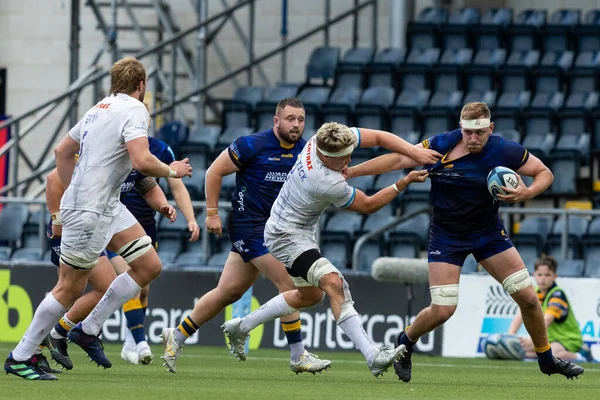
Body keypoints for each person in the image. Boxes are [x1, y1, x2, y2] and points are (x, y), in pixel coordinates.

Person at [343, 101, 584, 381]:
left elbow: (545, 173)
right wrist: (352, 172)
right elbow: (399, 159)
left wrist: (526, 192)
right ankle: (405, 342)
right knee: (443, 309)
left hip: (488, 234)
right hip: (447, 236)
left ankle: (546, 359)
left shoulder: (504, 149)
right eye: (468, 131)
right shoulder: (442, 145)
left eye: (479, 132)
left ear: (490, 129)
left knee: (528, 299)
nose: (472, 138)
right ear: (461, 127)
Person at [4, 56, 192, 380]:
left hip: (106, 204)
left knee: (150, 266)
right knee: (69, 288)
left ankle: (87, 329)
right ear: (142, 85)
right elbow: (141, 159)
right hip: (90, 209)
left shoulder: (98, 108)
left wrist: (75, 189)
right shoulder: (136, 110)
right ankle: (20, 356)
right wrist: (171, 169)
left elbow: (62, 151)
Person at [220, 121, 439, 378]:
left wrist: (415, 154)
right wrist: (403, 182)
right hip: (285, 235)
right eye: (344, 158)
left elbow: (379, 136)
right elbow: (368, 205)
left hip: (295, 230)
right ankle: (373, 356)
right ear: (326, 157)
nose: (349, 158)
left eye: (350, 153)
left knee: (310, 297)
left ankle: (241, 326)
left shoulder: (324, 139)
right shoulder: (324, 181)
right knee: (335, 284)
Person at [160, 98, 334, 374]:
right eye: (290, 118)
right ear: (276, 121)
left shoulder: (305, 152)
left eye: (300, 119)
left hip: (278, 230)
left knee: (227, 292)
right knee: (290, 284)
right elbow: (214, 171)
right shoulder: (251, 144)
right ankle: (297, 354)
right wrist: (212, 213)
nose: (296, 124)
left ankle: (177, 335)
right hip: (249, 226)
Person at [42, 161, 177, 370]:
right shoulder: (98, 150)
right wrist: (57, 219)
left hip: (99, 225)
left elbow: (148, 184)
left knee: (101, 286)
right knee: (68, 292)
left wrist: (162, 205)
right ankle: (37, 347)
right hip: (73, 226)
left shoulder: (132, 155)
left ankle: (62, 334)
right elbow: (53, 178)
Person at [108, 135, 200, 366]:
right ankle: (140, 343)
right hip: (116, 225)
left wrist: (191, 219)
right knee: (131, 281)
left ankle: (129, 343)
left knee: (144, 289)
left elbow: (175, 185)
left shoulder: (159, 148)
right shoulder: (115, 146)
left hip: (146, 226)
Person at [508, 256, 594, 363]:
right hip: (549, 339)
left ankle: (582, 356)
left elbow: (547, 319)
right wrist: (510, 336)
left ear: (555, 276)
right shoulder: (535, 292)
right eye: (539, 275)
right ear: (534, 275)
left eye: (547, 275)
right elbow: (521, 313)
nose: (543, 278)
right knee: (519, 350)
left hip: (568, 339)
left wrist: (532, 339)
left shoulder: (558, 294)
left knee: (552, 353)